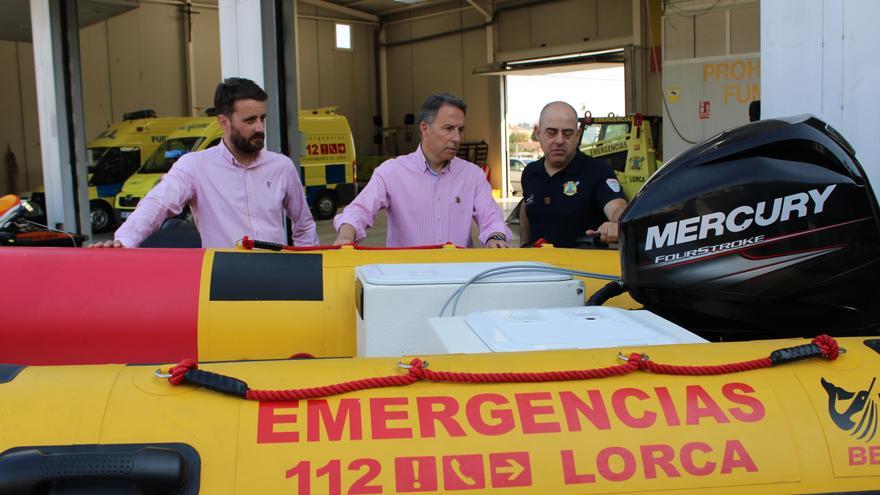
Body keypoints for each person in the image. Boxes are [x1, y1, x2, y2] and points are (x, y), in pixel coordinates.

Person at [90, 77, 318, 248]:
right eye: (250, 120)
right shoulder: (194, 167)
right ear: (223, 122)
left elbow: (304, 224)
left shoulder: (281, 166)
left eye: (262, 118)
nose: (259, 127)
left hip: (276, 282)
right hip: (223, 286)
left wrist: (307, 271)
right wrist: (123, 241)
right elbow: (157, 204)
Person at [333, 93, 511, 248]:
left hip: (460, 278)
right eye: (448, 128)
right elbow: (359, 210)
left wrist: (495, 237)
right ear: (425, 129)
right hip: (408, 279)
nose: (457, 138)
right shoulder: (391, 173)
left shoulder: (472, 175)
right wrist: (346, 236)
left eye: (460, 129)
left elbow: (491, 218)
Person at [519, 101, 627, 247]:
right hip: (539, 268)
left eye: (567, 133)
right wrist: (523, 246)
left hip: (582, 268)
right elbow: (527, 206)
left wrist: (616, 223)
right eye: (551, 132)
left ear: (577, 135)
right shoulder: (530, 172)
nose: (559, 140)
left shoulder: (598, 172)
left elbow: (617, 208)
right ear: (538, 133)